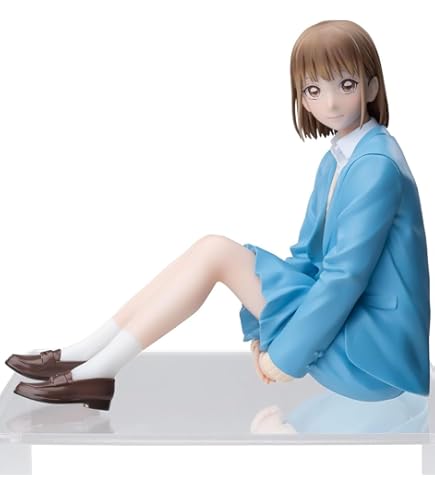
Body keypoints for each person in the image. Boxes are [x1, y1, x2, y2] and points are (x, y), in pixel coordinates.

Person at [5, 20, 431, 411]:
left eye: (346, 84)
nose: (331, 102)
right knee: (210, 249)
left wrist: (287, 354)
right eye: (313, 90)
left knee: (216, 254)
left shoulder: (375, 165)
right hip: (348, 326)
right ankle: (89, 354)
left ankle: (98, 370)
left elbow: (343, 277)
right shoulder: (338, 159)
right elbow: (307, 256)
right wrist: (265, 329)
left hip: (372, 356)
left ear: (372, 87)